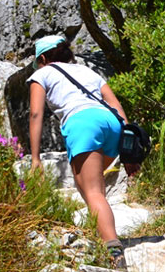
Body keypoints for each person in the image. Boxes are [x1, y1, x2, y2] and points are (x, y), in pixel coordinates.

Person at [27, 34, 138, 270]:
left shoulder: (42, 74)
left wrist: (35, 158)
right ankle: (102, 231)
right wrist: (128, 147)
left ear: (43, 58)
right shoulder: (88, 72)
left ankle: (113, 251)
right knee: (83, 183)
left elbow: (35, 114)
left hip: (82, 123)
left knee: (93, 190)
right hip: (111, 123)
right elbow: (116, 105)